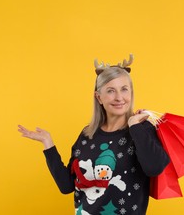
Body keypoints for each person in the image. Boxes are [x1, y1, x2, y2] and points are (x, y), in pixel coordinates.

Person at [18, 54, 170, 215]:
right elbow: (66, 186)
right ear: (99, 97)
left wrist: (134, 126)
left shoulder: (141, 129)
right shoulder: (87, 135)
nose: (119, 97)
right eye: (110, 91)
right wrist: (48, 144)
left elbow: (154, 168)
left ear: (131, 93)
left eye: (124, 89)